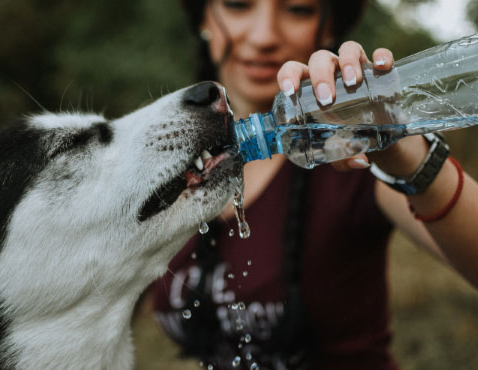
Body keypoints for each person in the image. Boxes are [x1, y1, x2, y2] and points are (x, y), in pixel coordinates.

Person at [150, 1, 478, 369]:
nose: (263, 37)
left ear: (328, 28)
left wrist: (409, 157)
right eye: (239, 5)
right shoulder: (161, 166)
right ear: (205, 16)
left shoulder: (352, 160)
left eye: (298, 10)